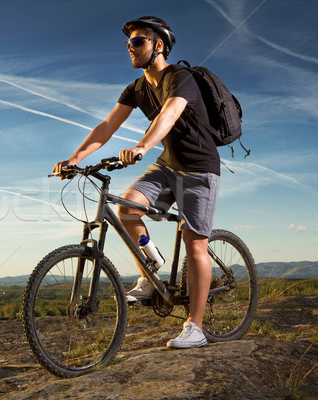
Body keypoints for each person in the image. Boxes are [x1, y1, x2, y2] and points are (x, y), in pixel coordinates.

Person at [52, 16, 220, 349]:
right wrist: (74, 159)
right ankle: (150, 268)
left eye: (138, 41)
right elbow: (107, 126)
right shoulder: (136, 88)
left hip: (199, 168)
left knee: (194, 242)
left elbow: (169, 115)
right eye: (128, 42)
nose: (130, 46)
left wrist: (142, 146)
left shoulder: (180, 77)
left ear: (158, 45)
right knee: (128, 211)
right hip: (167, 165)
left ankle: (195, 326)